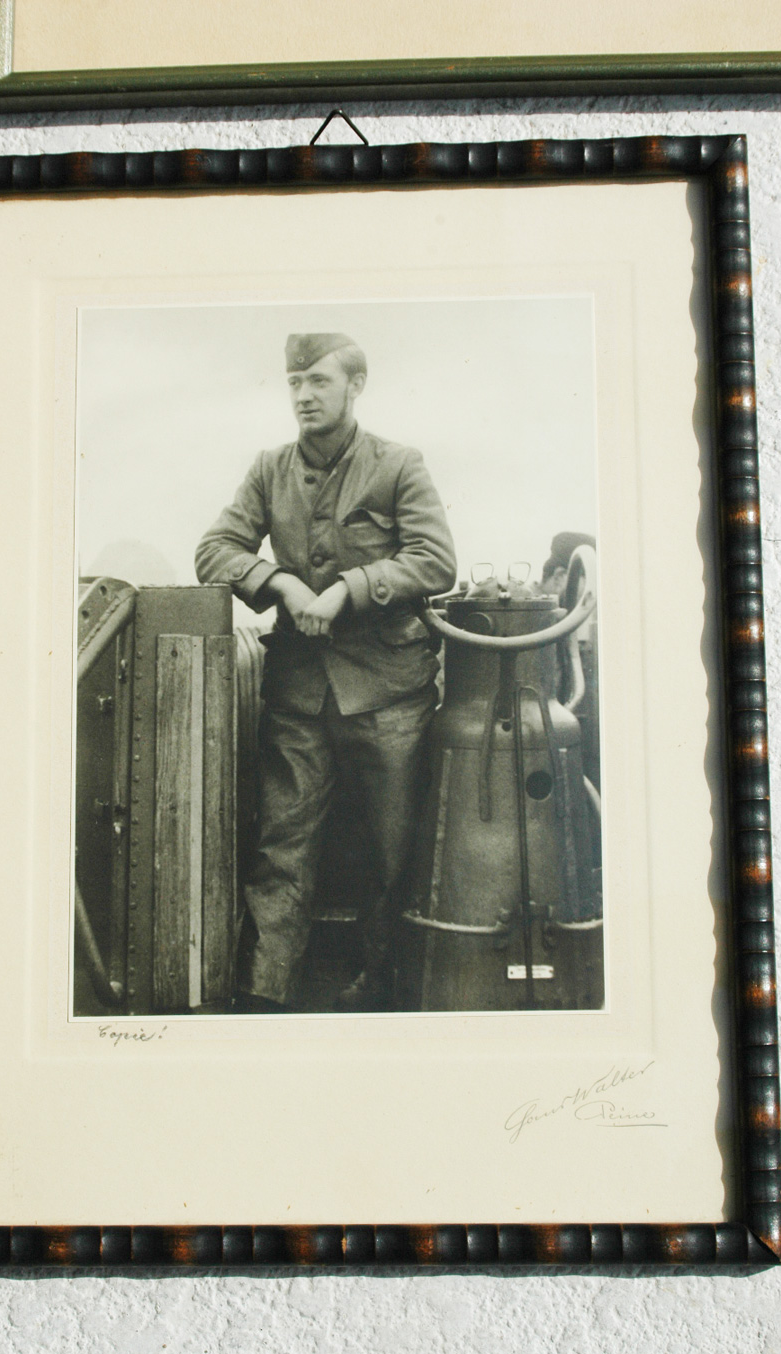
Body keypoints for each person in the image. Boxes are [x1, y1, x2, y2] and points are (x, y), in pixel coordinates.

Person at [196, 333, 456, 1013]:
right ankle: (265, 995)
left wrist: (347, 588)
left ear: (355, 385)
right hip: (299, 694)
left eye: (319, 381)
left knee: (394, 855)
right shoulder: (269, 469)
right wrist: (280, 582)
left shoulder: (398, 464)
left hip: (390, 693)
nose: (304, 396)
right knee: (281, 847)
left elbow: (435, 559)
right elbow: (215, 548)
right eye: (295, 382)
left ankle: (384, 988)